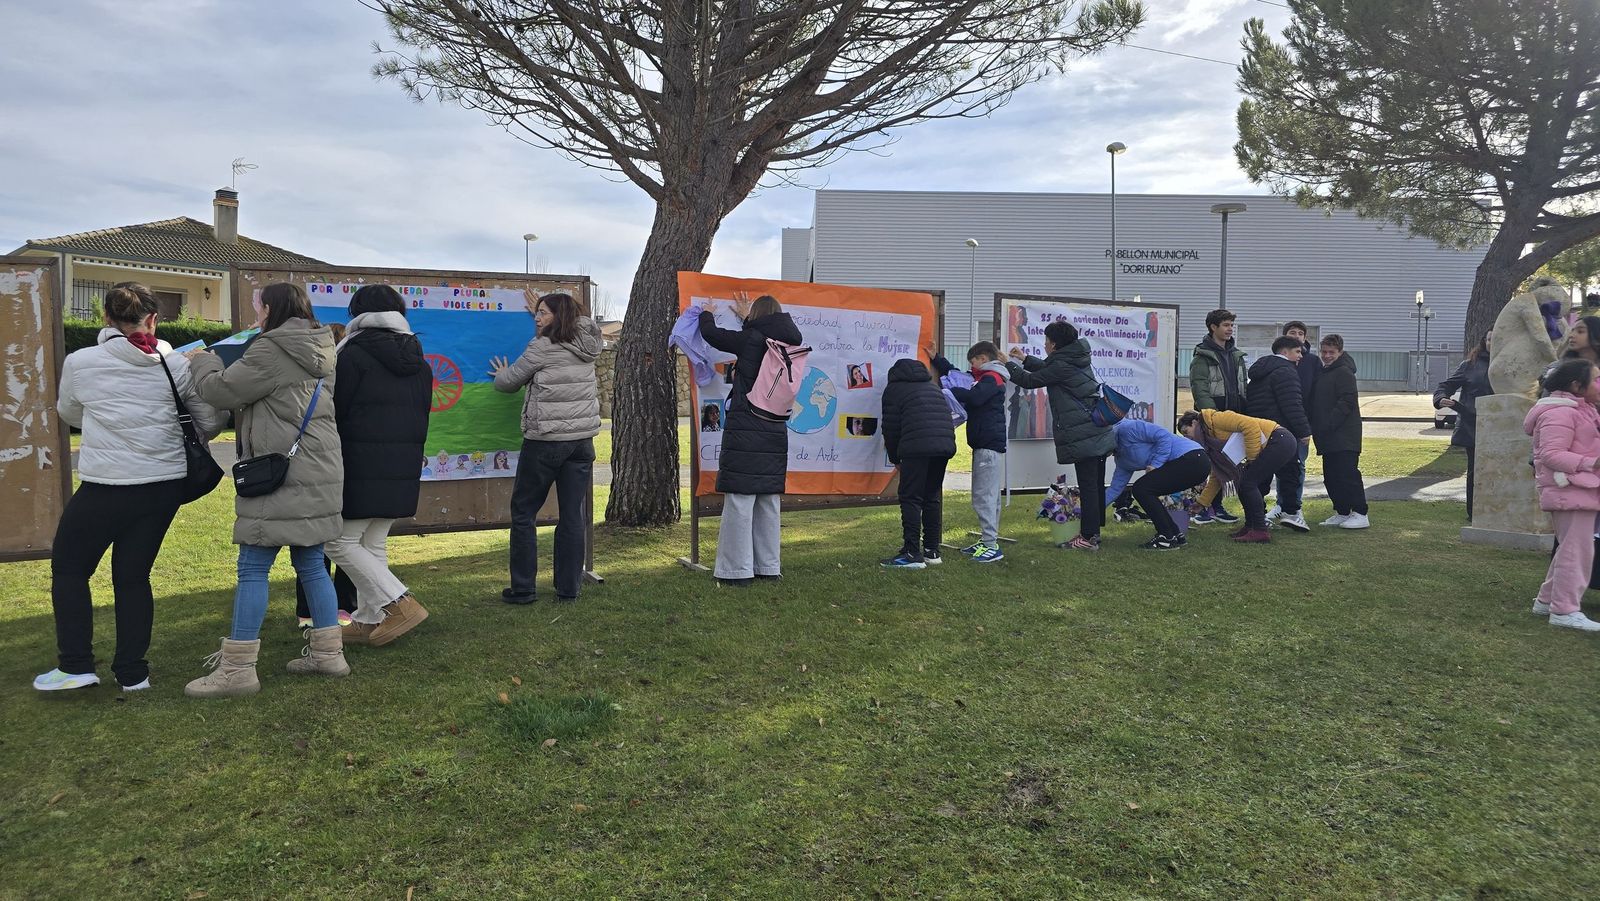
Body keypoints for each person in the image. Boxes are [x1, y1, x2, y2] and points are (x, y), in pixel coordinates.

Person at [33, 283, 225, 692]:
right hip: (163, 486)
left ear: (105, 318)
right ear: (153, 318)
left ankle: (76, 664)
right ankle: (133, 673)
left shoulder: (82, 362)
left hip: (107, 484)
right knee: (134, 577)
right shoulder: (175, 364)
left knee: (69, 569)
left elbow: (69, 411)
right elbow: (209, 422)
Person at [184, 282, 346, 698]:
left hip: (281, 475)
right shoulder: (321, 346)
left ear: (271, 307)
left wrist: (201, 360)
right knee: (311, 564)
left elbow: (220, 390)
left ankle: (237, 669)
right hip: (318, 468)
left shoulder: (271, 348)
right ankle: (329, 654)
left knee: (253, 567)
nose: (255, 315)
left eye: (257, 307)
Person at [319, 284, 434, 646]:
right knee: (373, 542)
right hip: (402, 466)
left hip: (358, 464)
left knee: (336, 541)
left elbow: (333, 412)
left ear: (358, 314)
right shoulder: (419, 360)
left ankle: (398, 602)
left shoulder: (350, 355)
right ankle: (370, 618)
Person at [491, 291, 602, 604]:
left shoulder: (542, 346)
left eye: (543, 313)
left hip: (546, 442)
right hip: (582, 442)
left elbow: (508, 383)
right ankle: (569, 589)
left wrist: (500, 373)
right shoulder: (588, 344)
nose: (537, 318)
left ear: (558, 316)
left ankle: (524, 588)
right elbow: (567, 331)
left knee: (524, 512)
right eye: (536, 313)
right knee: (572, 515)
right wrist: (552, 312)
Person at [697, 293, 804, 586]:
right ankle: (769, 567)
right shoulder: (790, 343)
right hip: (775, 428)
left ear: (757, 316)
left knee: (740, 500)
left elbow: (712, 334)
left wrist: (706, 312)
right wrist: (748, 320)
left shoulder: (751, 339)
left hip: (746, 425)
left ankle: (737, 571)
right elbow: (759, 342)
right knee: (768, 500)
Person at [1006, 320, 1116, 551]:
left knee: (1088, 486)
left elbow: (1030, 380)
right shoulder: (1073, 358)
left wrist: (1008, 363)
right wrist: (1025, 359)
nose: (1044, 345)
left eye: (1046, 341)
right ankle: (1094, 532)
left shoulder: (1062, 365)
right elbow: (1048, 370)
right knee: (1094, 484)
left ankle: (1088, 538)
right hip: (1096, 431)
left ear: (1054, 344)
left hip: (1084, 434)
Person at [1525, 359, 1600, 632]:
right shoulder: (1560, 413)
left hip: (1578, 488)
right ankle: (1565, 610)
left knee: (1571, 547)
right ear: (1576, 385)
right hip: (1569, 488)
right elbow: (1551, 454)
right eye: (1596, 379)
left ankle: (1547, 602)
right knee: (1577, 550)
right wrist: (1591, 463)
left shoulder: (1582, 409)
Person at [932, 341, 1009, 563]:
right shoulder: (986, 377)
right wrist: (937, 358)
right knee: (989, 495)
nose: (971, 367)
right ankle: (987, 540)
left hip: (988, 444)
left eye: (973, 361)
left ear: (983, 359)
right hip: (986, 443)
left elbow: (974, 397)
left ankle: (990, 545)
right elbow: (956, 374)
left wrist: (949, 391)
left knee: (983, 496)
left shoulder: (991, 378)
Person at [879, 357, 958, 568]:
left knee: (910, 497)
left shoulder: (895, 390)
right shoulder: (932, 386)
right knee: (931, 496)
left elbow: (891, 428)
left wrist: (895, 458)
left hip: (916, 447)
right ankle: (932, 551)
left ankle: (912, 553)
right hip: (944, 446)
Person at [1178, 409, 1294, 543]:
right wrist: (1202, 503)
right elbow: (1217, 475)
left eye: (1187, 432)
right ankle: (1251, 527)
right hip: (1276, 442)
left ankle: (1259, 530)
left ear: (1194, 422)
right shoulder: (1209, 440)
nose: (1188, 438)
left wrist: (1252, 458)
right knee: (1244, 483)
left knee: (1247, 484)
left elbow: (1249, 425)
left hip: (1279, 440)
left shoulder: (1217, 419)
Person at [1105, 418, 1209, 550]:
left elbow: (1163, 436)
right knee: (1144, 490)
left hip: (1193, 458)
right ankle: (1175, 534)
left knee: (1141, 489)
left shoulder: (1128, 428)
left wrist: (1156, 464)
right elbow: (1114, 490)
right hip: (1191, 463)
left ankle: (1166, 537)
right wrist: (1091, 512)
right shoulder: (1122, 460)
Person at [1245, 335, 1314, 532]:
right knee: (1290, 472)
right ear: (1285, 352)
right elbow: (1292, 404)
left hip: (1259, 432)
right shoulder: (1286, 371)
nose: (1300, 356)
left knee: (1260, 476)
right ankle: (1291, 514)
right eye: (1298, 351)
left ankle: (1257, 516)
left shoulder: (1259, 372)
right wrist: (1303, 431)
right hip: (1282, 432)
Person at [1188, 309, 1247, 526]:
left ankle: (1217, 506)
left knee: (1225, 463)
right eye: (1226, 325)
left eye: (1232, 325)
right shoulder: (1202, 357)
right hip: (1214, 419)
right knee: (1212, 464)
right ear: (1213, 327)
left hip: (1235, 418)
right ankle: (1201, 508)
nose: (1230, 329)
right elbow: (1200, 389)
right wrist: (1212, 417)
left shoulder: (1237, 355)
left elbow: (1243, 387)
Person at [1310, 334, 1369, 529]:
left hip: (1344, 435)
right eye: (1324, 352)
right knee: (1331, 476)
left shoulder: (1344, 372)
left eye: (1331, 352)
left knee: (1347, 474)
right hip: (1328, 436)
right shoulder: (1325, 372)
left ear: (1340, 352)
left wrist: (1328, 424)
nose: (1327, 356)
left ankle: (1360, 512)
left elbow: (1347, 401)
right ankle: (1342, 511)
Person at [1434, 331, 1492, 519]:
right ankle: (1474, 512)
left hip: (1499, 425)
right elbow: (1446, 385)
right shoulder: (1470, 365)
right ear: (1484, 341)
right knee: (1476, 470)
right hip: (1472, 425)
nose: (1493, 342)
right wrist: (1441, 398)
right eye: (1490, 339)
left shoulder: (1512, 365)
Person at [1268, 321, 1321, 524]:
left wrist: (1307, 425)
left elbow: (1315, 394)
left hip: (1300, 423)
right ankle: (1281, 505)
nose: (1297, 335)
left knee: (1298, 466)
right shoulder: (1277, 362)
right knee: (1280, 466)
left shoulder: (1312, 362)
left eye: (1301, 333)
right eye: (1293, 332)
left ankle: (1294, 507)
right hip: (1279, 424)